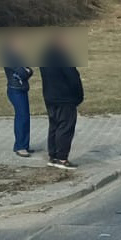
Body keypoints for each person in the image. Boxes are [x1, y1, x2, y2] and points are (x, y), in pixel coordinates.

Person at [39, 32, 84, 169]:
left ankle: (53, 156)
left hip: (49, 96)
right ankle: (62, 158)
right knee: (65, 127)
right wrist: (79, 96)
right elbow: (73, 77)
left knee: (54, 125)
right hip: (65, 97)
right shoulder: (64, 57)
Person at [2, 34, 34, 158]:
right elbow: (23, 72)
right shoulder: (10, 57)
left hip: (22, 88)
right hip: (15, 90)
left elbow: (29, 71)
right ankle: (20, 146)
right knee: (22, 117)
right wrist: (26, 71)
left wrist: (26, 71)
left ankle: (24, 144)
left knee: (25, 117)